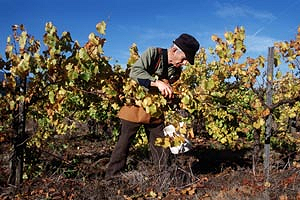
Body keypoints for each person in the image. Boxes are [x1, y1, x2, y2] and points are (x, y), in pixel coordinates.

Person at [105, 33, 200, 179]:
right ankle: (111, 177)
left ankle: (164, 178)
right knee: (123, 144)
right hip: (135, 108)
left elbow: (166, 91)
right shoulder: (153, 54)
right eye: (185, 58)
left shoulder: (176, 71)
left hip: (155, 112)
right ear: (175, 51)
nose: (185, 63)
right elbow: (135, 72)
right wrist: (158, 83)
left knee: (161, 146)